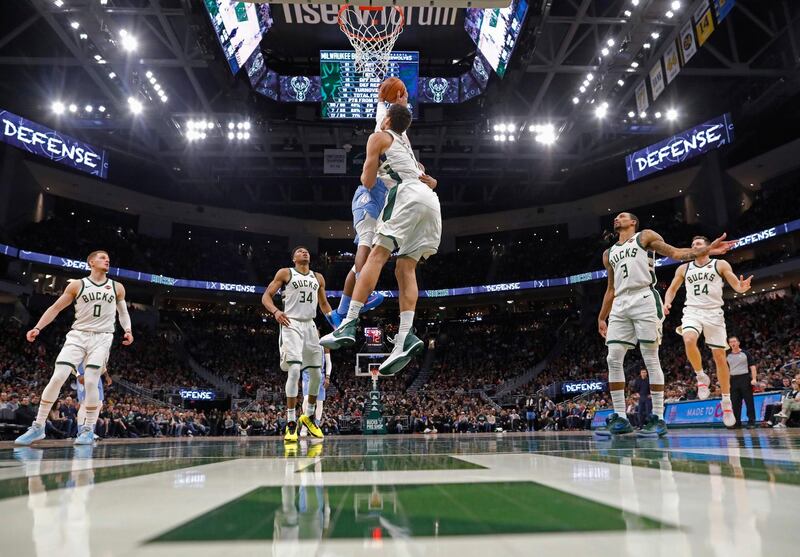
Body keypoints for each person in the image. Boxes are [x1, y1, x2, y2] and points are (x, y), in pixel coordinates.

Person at [321, 104, 442, 377]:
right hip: (431, 202)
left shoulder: (379, 137)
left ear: (386, 120)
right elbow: (428, 181)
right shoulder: (408, 150)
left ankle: (349, 322)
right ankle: (404, 337)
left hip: (406, 196)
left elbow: (366, 180)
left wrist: (372, 163)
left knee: (377, 255)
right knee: (405, 267)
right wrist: (398, 100)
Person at [596, 212, 732, 438]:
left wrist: (704, 250)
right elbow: (610, 288)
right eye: (615, 217)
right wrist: (602, 317)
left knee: (650, 356)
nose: (616, 219)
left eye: (621, 216)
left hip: (643, 297)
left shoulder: (644, 237)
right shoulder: (608, 253)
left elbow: (675, 253)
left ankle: (658, 418)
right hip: (620, 303)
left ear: (633, 222)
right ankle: (620, 417)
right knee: (613, 357)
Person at [15, 250, 134, 446]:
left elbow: (123, 312)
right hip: (78, 335)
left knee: (91, 382)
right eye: (102, 257)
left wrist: (128, 330)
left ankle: (87, 429)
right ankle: (38, 426)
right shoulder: (78, 285)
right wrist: (37, 327)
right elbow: (55, 308)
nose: (107, 260)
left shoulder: (117, 287)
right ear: (91, 262)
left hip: (102, 337)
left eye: (108, 258)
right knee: (58, 376)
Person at [664, 235, 753, 427]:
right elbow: (672, 289)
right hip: (692, 311)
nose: (694, 245)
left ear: (706, 247)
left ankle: (726, 401)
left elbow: (735, 284)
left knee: (720, 358)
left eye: (698, 243)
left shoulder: (720, 264)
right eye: (692, 243)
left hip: (714, 314)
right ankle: (700, 376)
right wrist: (667, 302)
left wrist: (741, 288)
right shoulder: (684, 268)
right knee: (688, 339)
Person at [262, 246, 335, 443]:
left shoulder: (318, 277)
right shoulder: (286, 272)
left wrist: (336, 323)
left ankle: (309, 417)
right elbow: (265, 296)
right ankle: (291, 422)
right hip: (290, 322)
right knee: (294, 371)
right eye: (300, 251)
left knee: (317, 374)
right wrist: (276, 312)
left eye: (307, 251)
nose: (305, 252)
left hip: (310, 325)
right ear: (293, 258)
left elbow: (324, 304)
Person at [726, 336, 758, 428]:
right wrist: (726, 383)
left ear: (738, 342)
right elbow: (726, 370)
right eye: (731, 342)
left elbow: (752, 367)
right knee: (735, 402)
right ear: (729, 344)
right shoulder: (727, 355)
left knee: (749, 401)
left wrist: (754, 378)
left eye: (734, 341)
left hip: (745, 378)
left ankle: (751, 422)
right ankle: (736, 422)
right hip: (733, 380)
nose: (733, 343)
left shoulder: (746, 353)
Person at [300, 348, 332, 437]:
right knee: (306, 399)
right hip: (307, 374)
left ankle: (316, 426)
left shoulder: (324, 345)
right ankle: (305, 425)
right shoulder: (305, 343)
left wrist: (328, 376)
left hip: (320, 374)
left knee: (320, 402)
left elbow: (328, 362)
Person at [75, 362, 113, 439]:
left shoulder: (102, 351)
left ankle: (90, 431)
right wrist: (78, 375)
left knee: (99, 404)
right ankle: (80, 432)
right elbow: (75, 360)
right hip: (84, 374)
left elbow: (101, 364)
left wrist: (107, 376)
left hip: (97, 376)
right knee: (84, 405)